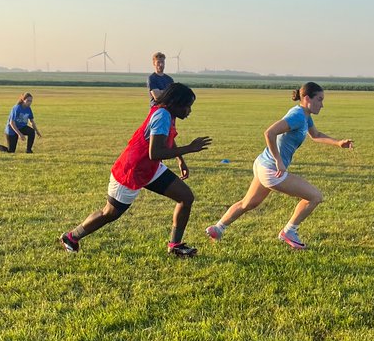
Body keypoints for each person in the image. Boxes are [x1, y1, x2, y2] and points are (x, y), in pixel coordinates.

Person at [59, 81, 212, 258]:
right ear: (175, 103)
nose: (189, 111)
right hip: (131, 170)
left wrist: (180, 160)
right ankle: (71, 237)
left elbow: (165, 139)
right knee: (109, 213)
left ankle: (175, 245)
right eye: (187, 106)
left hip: (149, 169)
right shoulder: (162, 116)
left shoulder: (168, 114)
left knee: (186, 197)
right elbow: (155, 152)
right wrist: (189, 148)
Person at [205, 81, 353, 251]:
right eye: (319, 99)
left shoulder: (305, 115)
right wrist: (278, 161)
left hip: (262, 164)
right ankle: (289, 232)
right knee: (315, 197)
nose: (322, 104)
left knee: (248, 203)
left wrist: (338, 143)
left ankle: (218, 228)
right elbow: (269, 132)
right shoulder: (297, 115)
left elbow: (316, 135)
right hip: (271, 169)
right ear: (306, 98)